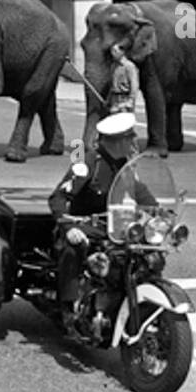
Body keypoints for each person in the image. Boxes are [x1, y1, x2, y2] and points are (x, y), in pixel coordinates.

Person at [48, 112, 142, 331]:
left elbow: (140, 193)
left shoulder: (125, 165)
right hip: (82, 225)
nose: (133, 142)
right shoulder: (89, 162)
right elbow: (58, 198)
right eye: (130, 138)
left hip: (110, 227)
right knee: (74, 248)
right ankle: (69, 306)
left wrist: (159, 212)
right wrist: (69, 227)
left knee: (143, 252)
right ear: (117, 141)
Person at [107, 42, 140, 116]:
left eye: (115, 51)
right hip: (114, 99)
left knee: (124, 123)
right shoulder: (114, 66)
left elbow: (134, 85)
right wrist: (108, 100)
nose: (113, 54)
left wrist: (130, 101)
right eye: (112, 51)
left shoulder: (129, 66)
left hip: (124, 98)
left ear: (122, 52)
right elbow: (112, 85)